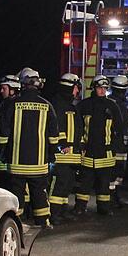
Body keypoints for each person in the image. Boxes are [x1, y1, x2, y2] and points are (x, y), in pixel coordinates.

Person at [0, 68, 57, 227]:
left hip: (17, 163)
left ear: (22, 84)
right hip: (39, 164)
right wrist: (51, 154)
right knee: (39, 194)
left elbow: (3, 133)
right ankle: (43, 222)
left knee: (17, 194)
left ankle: (17, 224)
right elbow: (53, 135)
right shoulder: (47, 106)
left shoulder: (11, 104)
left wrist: (2, 151)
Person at [75, 75, 124, 216]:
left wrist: (114, 147)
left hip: (106, 152)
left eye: (104, 88)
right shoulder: (84, 105)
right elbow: (78, 127)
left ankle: (104, 208)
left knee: (104, 183)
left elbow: (119, 129)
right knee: (85, 183)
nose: (102, 91)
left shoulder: (112, 106)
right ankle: (80, 207)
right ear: (93, 88)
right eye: (99, 88)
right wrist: (80, 144)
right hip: (88, 152)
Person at [49, 73, 83, 224]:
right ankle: (54, 213)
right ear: (70, 87)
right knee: (59, 184)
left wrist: (80, 146)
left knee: (67, 183)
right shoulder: (58, 104)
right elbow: (56, 127)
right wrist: (62, 145)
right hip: (62, 153)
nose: (77, 92)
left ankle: (62, 211)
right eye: (76, 88)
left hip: (71, 154)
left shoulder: (69, 105)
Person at [0, 74, 21, 188]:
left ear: (12, 90)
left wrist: (2, 151)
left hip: (6, 156)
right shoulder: (7, 104)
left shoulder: (9, 105)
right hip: (7, 155)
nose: (1, 91)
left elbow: (4, 130)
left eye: (4, 88)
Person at [108, 74, 128, 206]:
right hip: (119, 144)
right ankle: (113, 198)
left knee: (114, 171)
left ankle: (113, 196)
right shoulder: (119, 105)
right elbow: (123, 124)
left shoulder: (110, 101)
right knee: (116, 172)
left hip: (114, 143)